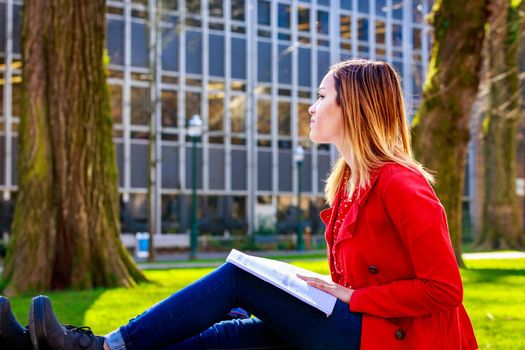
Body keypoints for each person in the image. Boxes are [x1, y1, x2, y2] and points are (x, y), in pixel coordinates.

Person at [0, 59, 478, 350]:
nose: (311, 107)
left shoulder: (401, 184)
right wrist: (318, 287)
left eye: (321, 96)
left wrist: (355, 296)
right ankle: (36, 346)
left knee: (237, 278)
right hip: (357, 332)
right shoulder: (349, 183)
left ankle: (101, 347)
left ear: (352, 107)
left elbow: (444, 289)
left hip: (390, 341)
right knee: (225, 329)